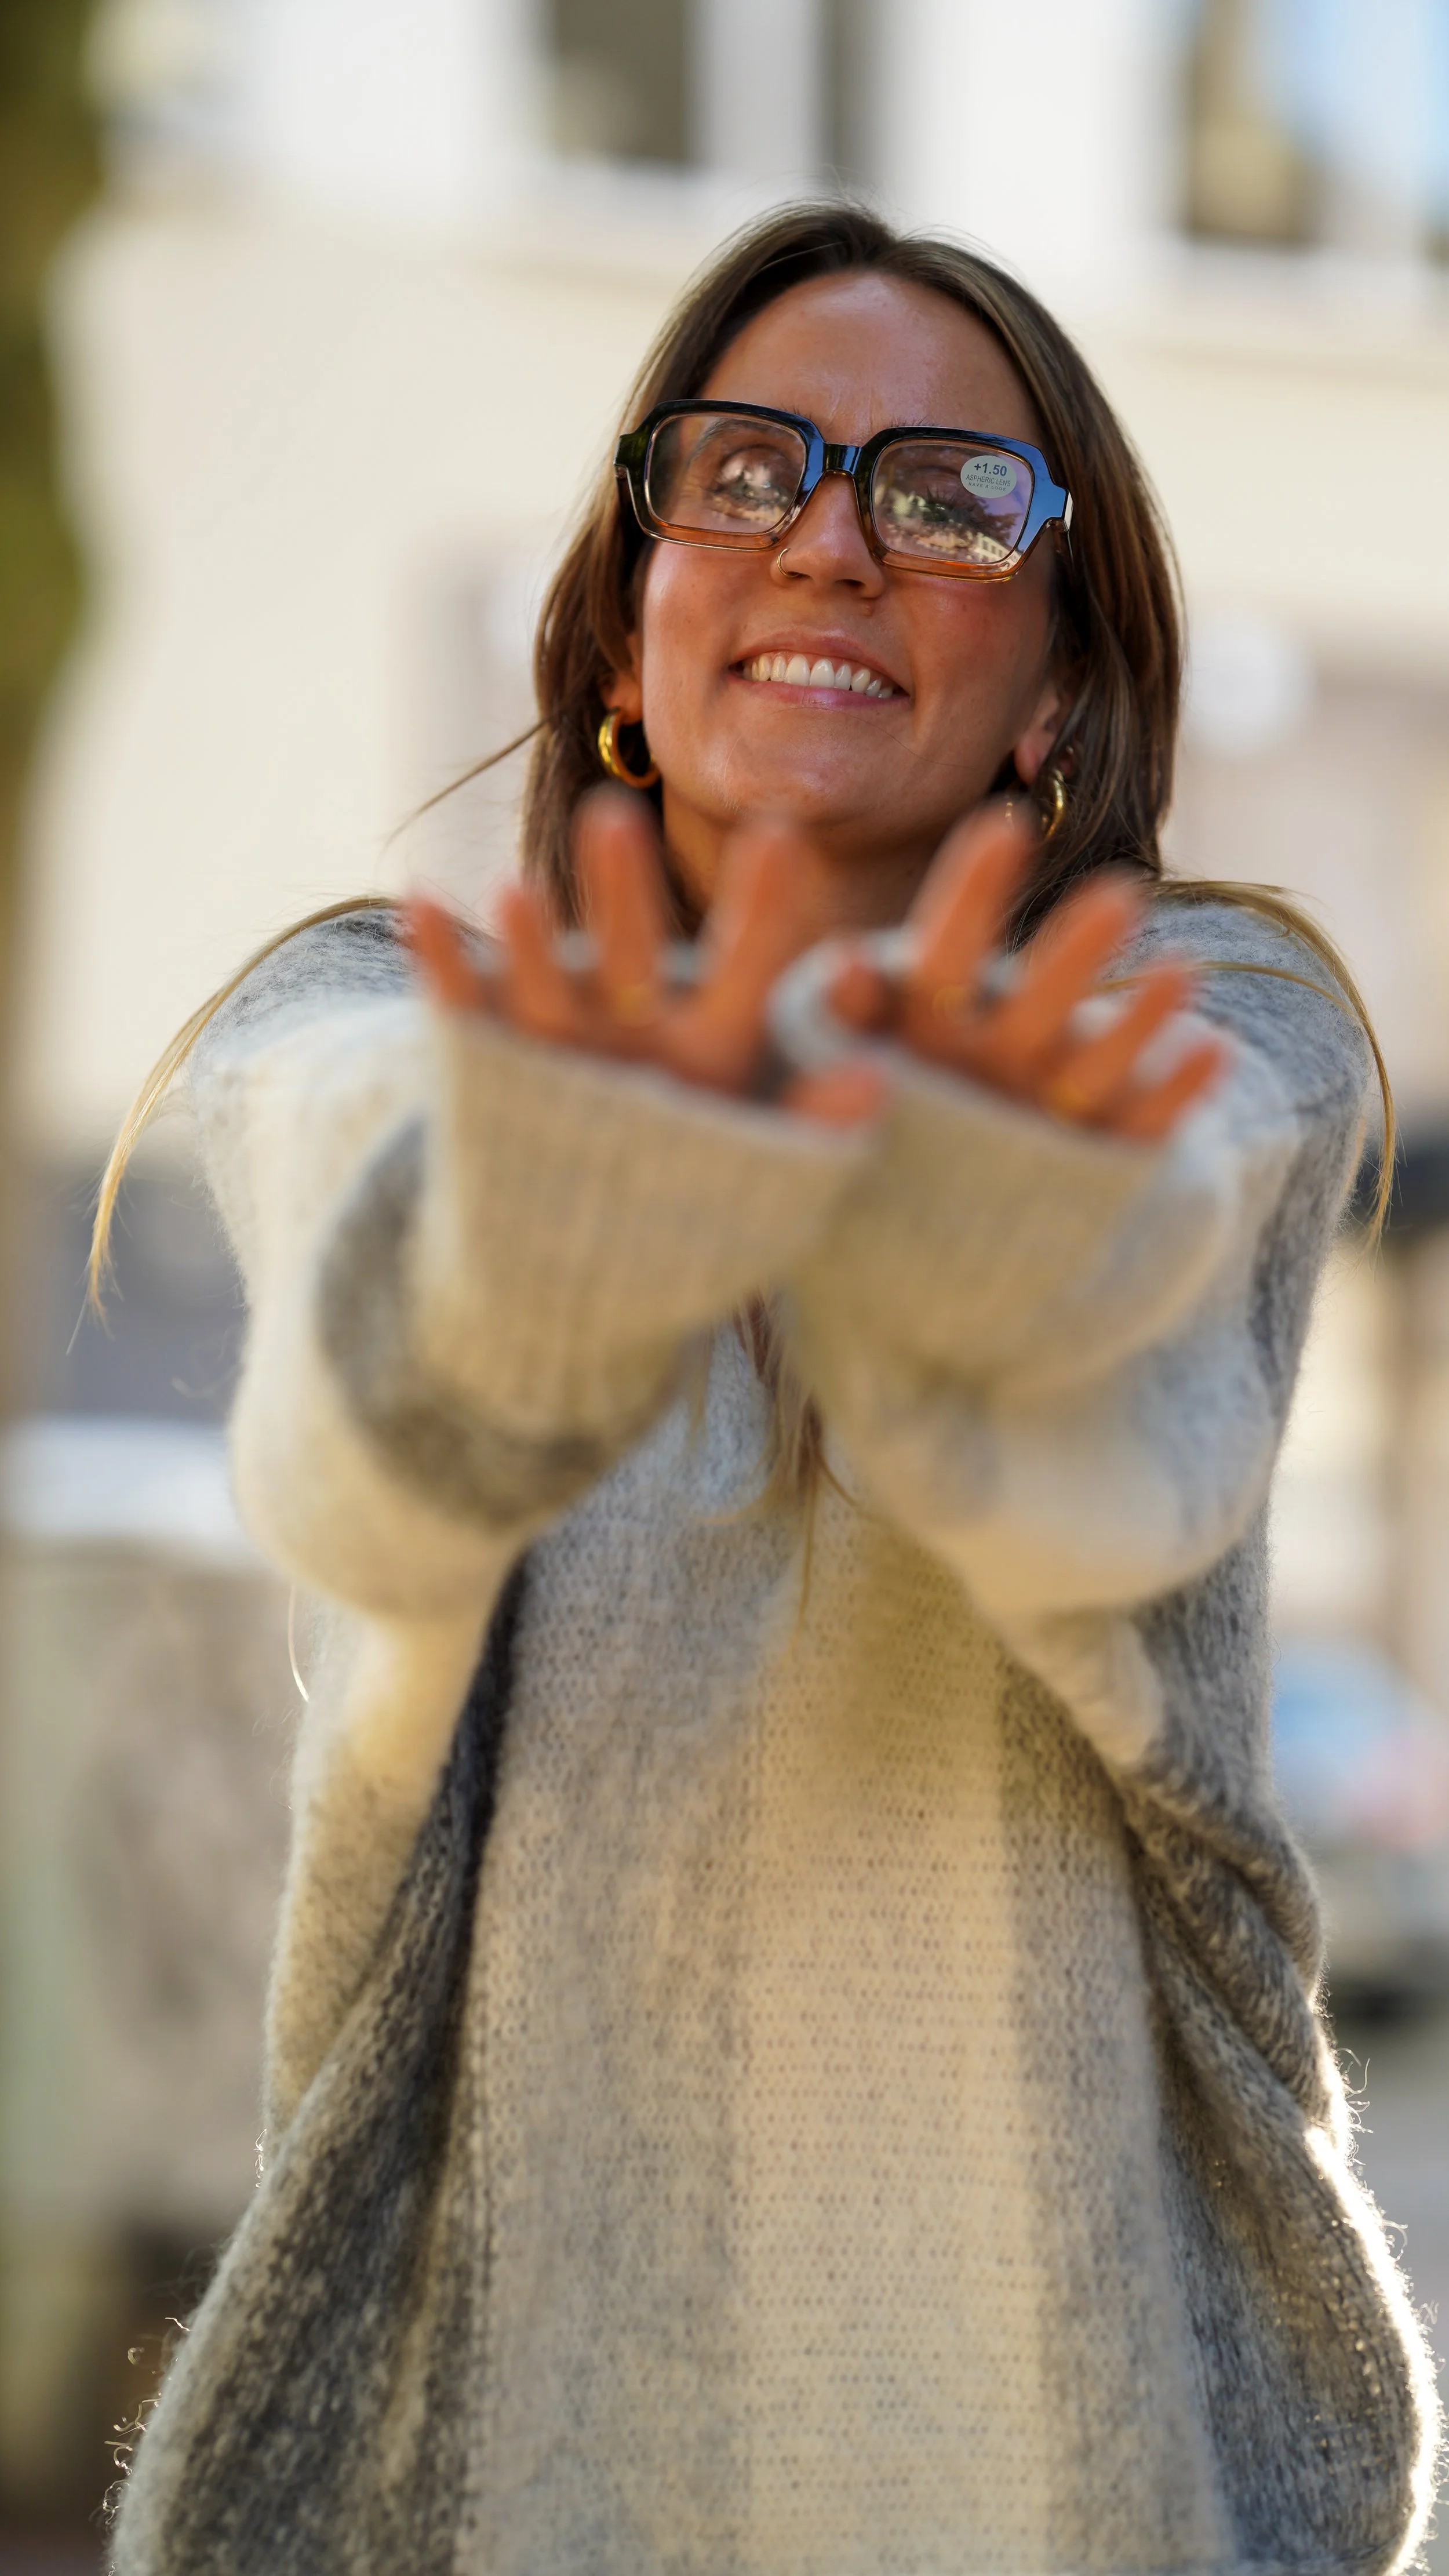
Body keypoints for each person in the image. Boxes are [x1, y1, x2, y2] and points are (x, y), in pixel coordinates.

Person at [105, 204, 1437, 2576]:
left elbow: (1115, 1393)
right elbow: (376, 1419)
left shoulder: (1219, 1030)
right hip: (472, 2490)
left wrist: (960, 1233)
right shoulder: (376, 1030)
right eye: (744, 471)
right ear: (634, 618)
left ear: (1050, 686)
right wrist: (547, 1242)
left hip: (1099, 2494)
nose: (827, 536)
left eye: (943, 500)